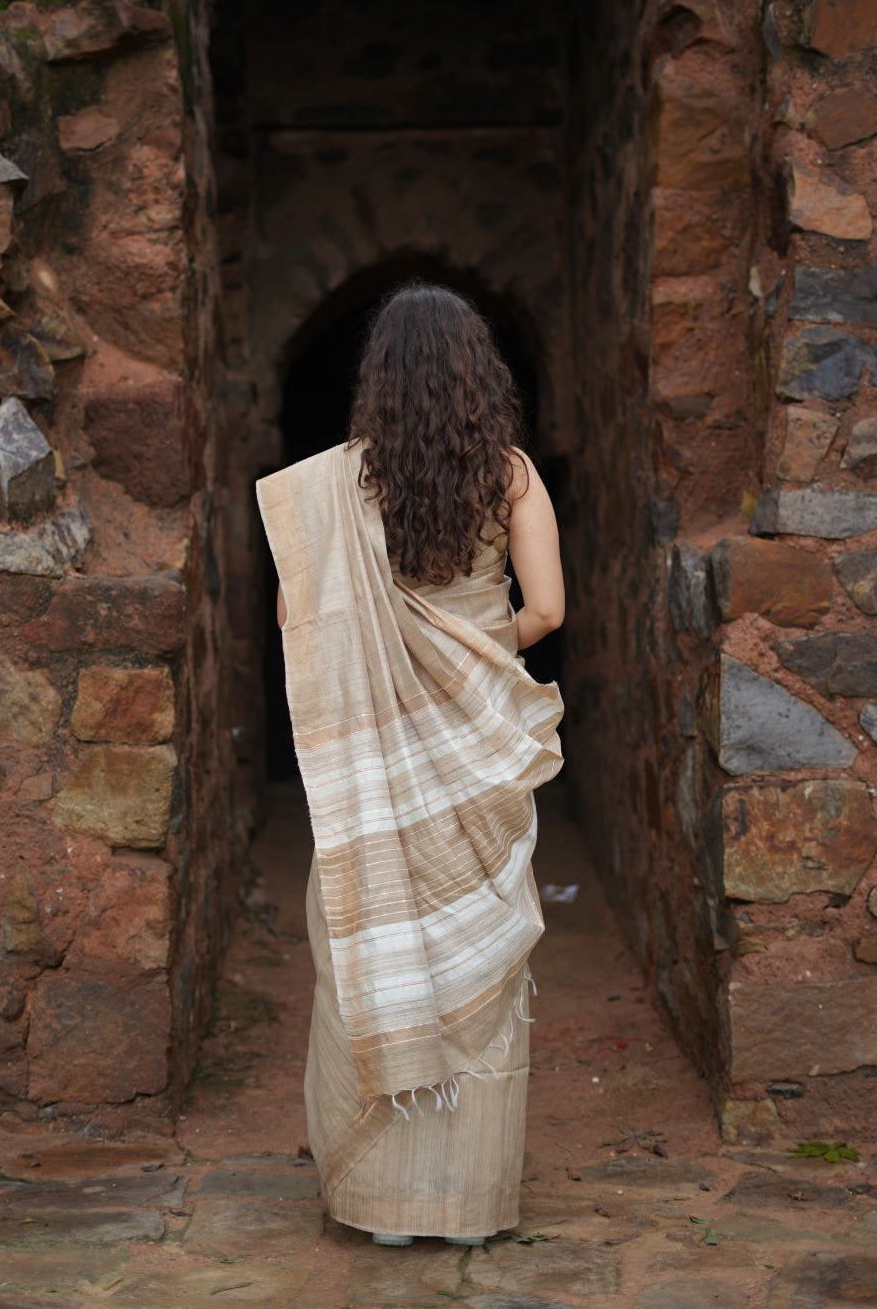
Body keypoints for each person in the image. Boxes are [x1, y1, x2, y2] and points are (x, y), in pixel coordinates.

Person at [256, 279, 565, 1249]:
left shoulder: (341, 487)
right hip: (476, 745)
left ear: (378, 382)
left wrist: (398, 664)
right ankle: (465, 1202)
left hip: (380, 758)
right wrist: (474, 649)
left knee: (375, 942)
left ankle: (381, 1203)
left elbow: (308, 618)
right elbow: (548, 610)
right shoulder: (511, 476)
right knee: (474, 954)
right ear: (480, 375)